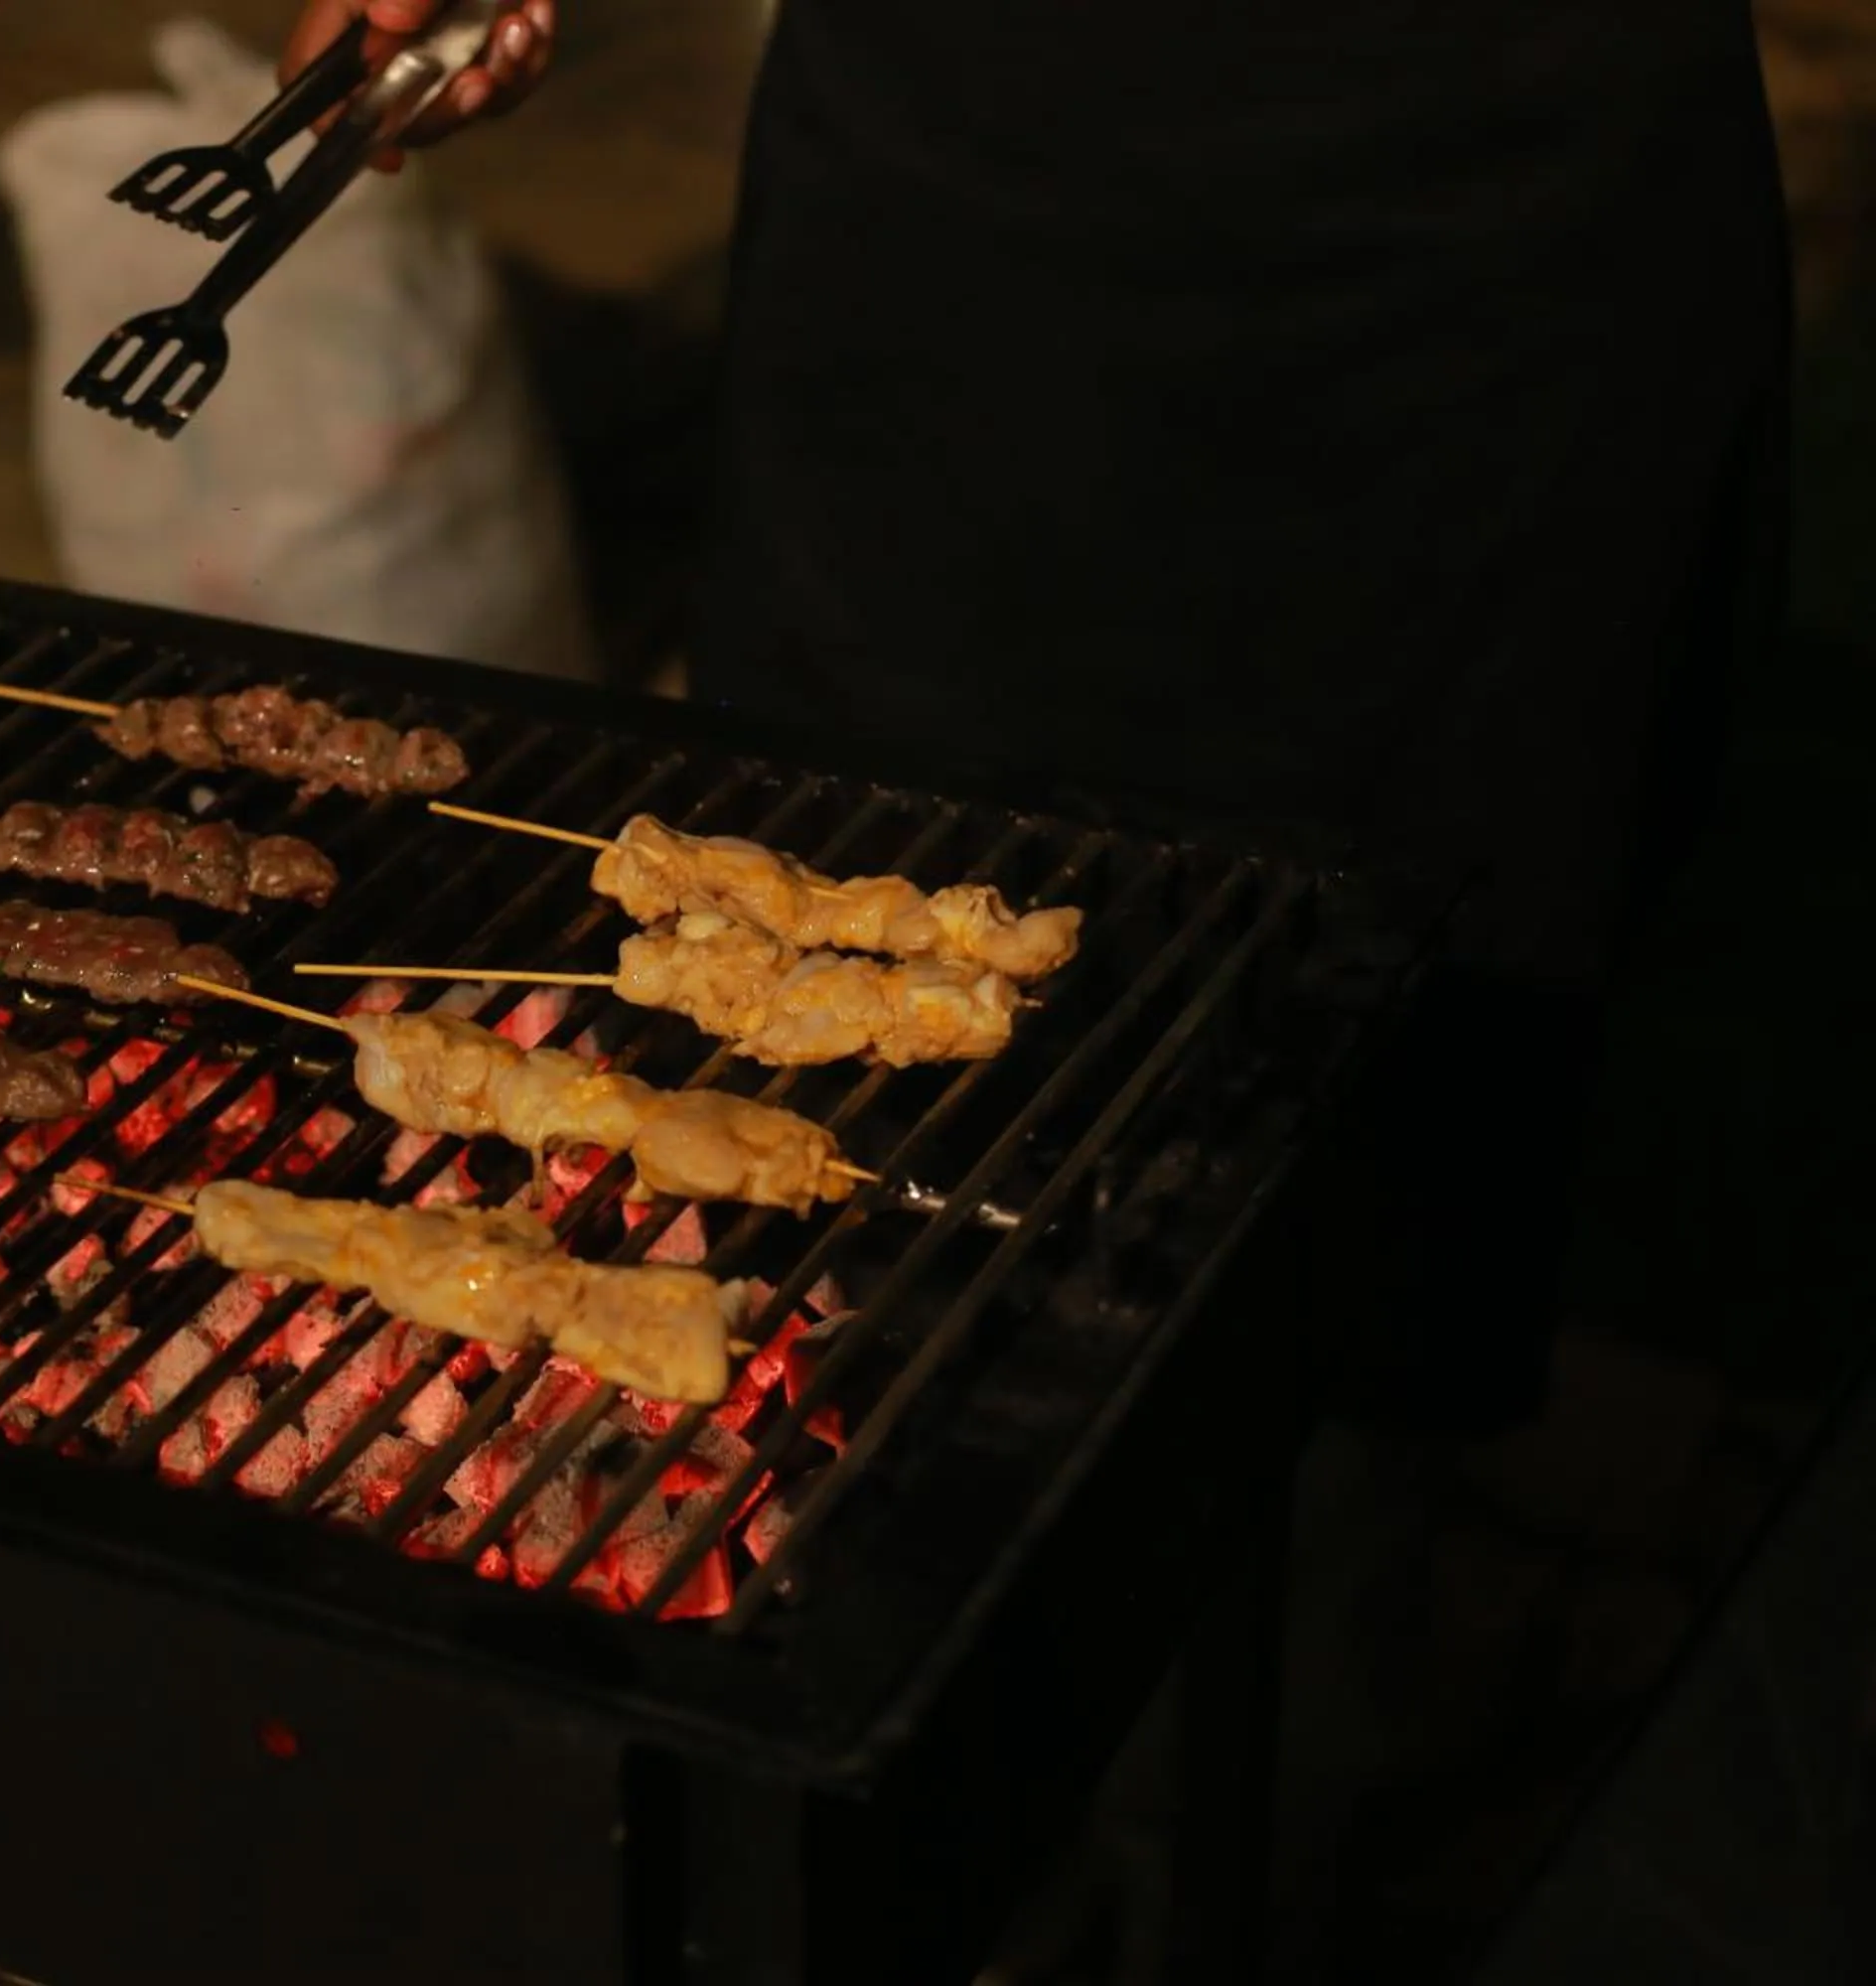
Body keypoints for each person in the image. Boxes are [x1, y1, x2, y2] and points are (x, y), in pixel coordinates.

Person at [282, 0, 1789, 1435]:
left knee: (1417, 1030)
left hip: (1480, 234)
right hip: (957, 205)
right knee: (859, 964)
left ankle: (1357, 1549)